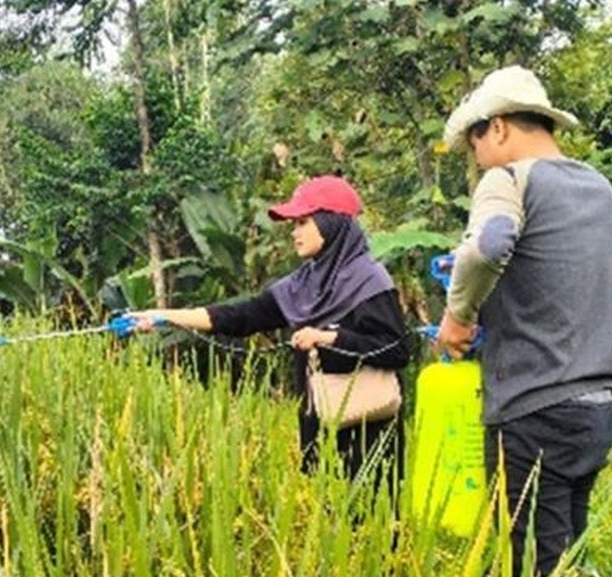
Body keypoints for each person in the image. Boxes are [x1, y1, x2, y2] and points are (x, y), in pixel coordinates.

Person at [434, 66, 612, 577]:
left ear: (498, 128)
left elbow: (490, 244)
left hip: (532, 408)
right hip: (594, 407)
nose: (476, 160)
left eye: (475, 144)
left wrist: (459, 316)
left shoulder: (510, 178)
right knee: (567, 556)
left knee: (532, 569)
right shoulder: (598, 188)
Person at [128, 176, 410, 494]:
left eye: (303, 222)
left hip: (369, 430)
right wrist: (165, 317)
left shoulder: (369, 280)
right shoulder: (301, 284)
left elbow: (396, 349)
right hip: (319, 422)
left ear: (331, 224)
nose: (295, 232)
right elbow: (241, 316)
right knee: (324, 523)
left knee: (375, 527)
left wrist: (330, 338)